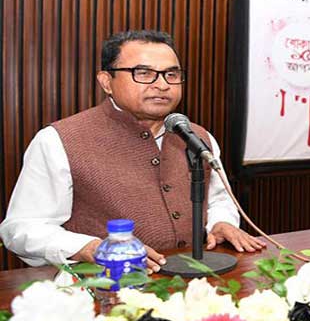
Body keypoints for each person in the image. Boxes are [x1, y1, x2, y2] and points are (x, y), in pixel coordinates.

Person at [0, 30, 265, 272]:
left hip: (198, 283)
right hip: (107, 289)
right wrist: (91, 248)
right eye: (144, 73)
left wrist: (221, 223)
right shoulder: (58, 140)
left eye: (171, 74)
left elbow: (218, 199)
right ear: (107, 81)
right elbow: (21, 227)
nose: (162, 85)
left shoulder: (197, 136)